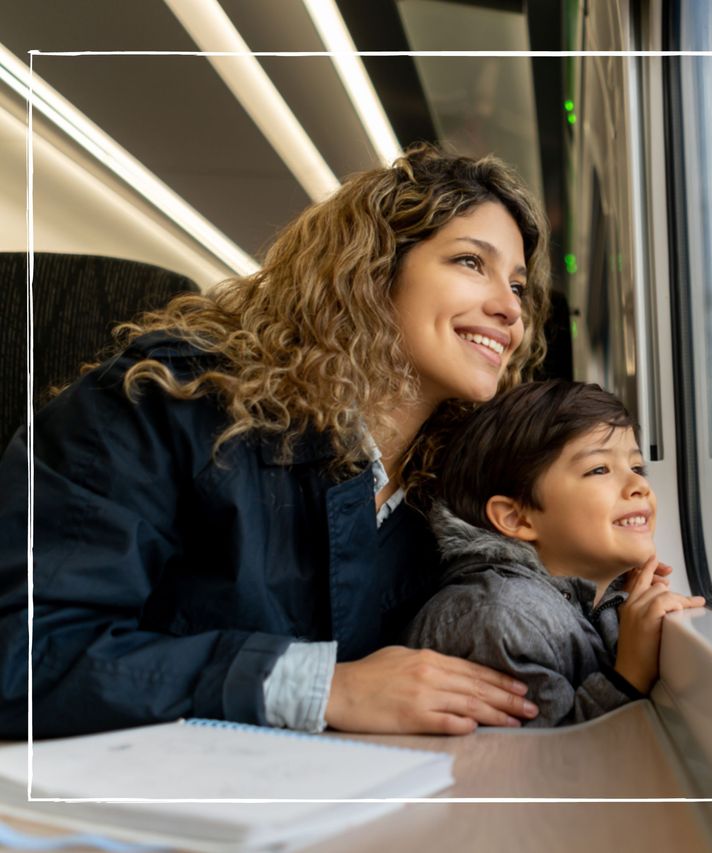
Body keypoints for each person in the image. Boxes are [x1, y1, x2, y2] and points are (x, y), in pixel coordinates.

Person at [0, 143, 552, 738]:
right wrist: (324, 687)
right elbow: (23, 654)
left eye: (518, 287)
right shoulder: (166, 402)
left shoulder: (453, 488)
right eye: (471, 263)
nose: (508, 310)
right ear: (370, 272)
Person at [406, 380, 704, 726]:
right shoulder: (502, 619)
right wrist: (628, 675)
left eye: (637, 468)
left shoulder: (595, 600)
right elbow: (543, 765)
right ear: (517, 517)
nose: (640, 485)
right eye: (599, 470)